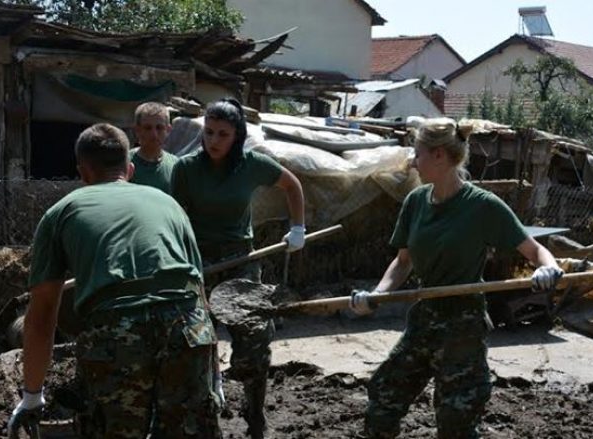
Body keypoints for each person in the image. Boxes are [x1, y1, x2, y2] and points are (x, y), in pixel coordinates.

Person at [349, 118, 564, 439]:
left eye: (417, 153)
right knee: (384, 396)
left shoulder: (482, 207)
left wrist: (547, 268)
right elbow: (403, 261)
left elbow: (536, 252)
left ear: (439, 156)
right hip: (424, 320)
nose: (412, 161)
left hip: (463, 325)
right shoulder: (416, 202)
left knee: (456, 419)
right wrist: (376, 296)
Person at [7, 124, 221, 439]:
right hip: (188, 328)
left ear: (83, 172)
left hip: (116, 331)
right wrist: (213, 380)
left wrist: (32, 395)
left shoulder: (61, 212)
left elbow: (41, 316)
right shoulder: (169, 204)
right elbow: (199, 295)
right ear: (130, 169)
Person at [171, 98, 305, 439]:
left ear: (237, 136)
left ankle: (255, 413)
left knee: (255, 339)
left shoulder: (252, 165)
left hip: (240, 260)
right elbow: (174, 217)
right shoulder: (185, 168)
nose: (214, 141)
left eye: (223, 134)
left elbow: (292, 185)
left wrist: (298, 227)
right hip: (197, 259)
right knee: (195, 342)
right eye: (209, 132)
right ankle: (203, 413)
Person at [129, 102, 178, 193]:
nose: (154, 134)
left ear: (168, 130)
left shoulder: (176, 166)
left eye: (159, 128)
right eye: (148, 128)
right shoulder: (124, 162)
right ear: (137, 130)